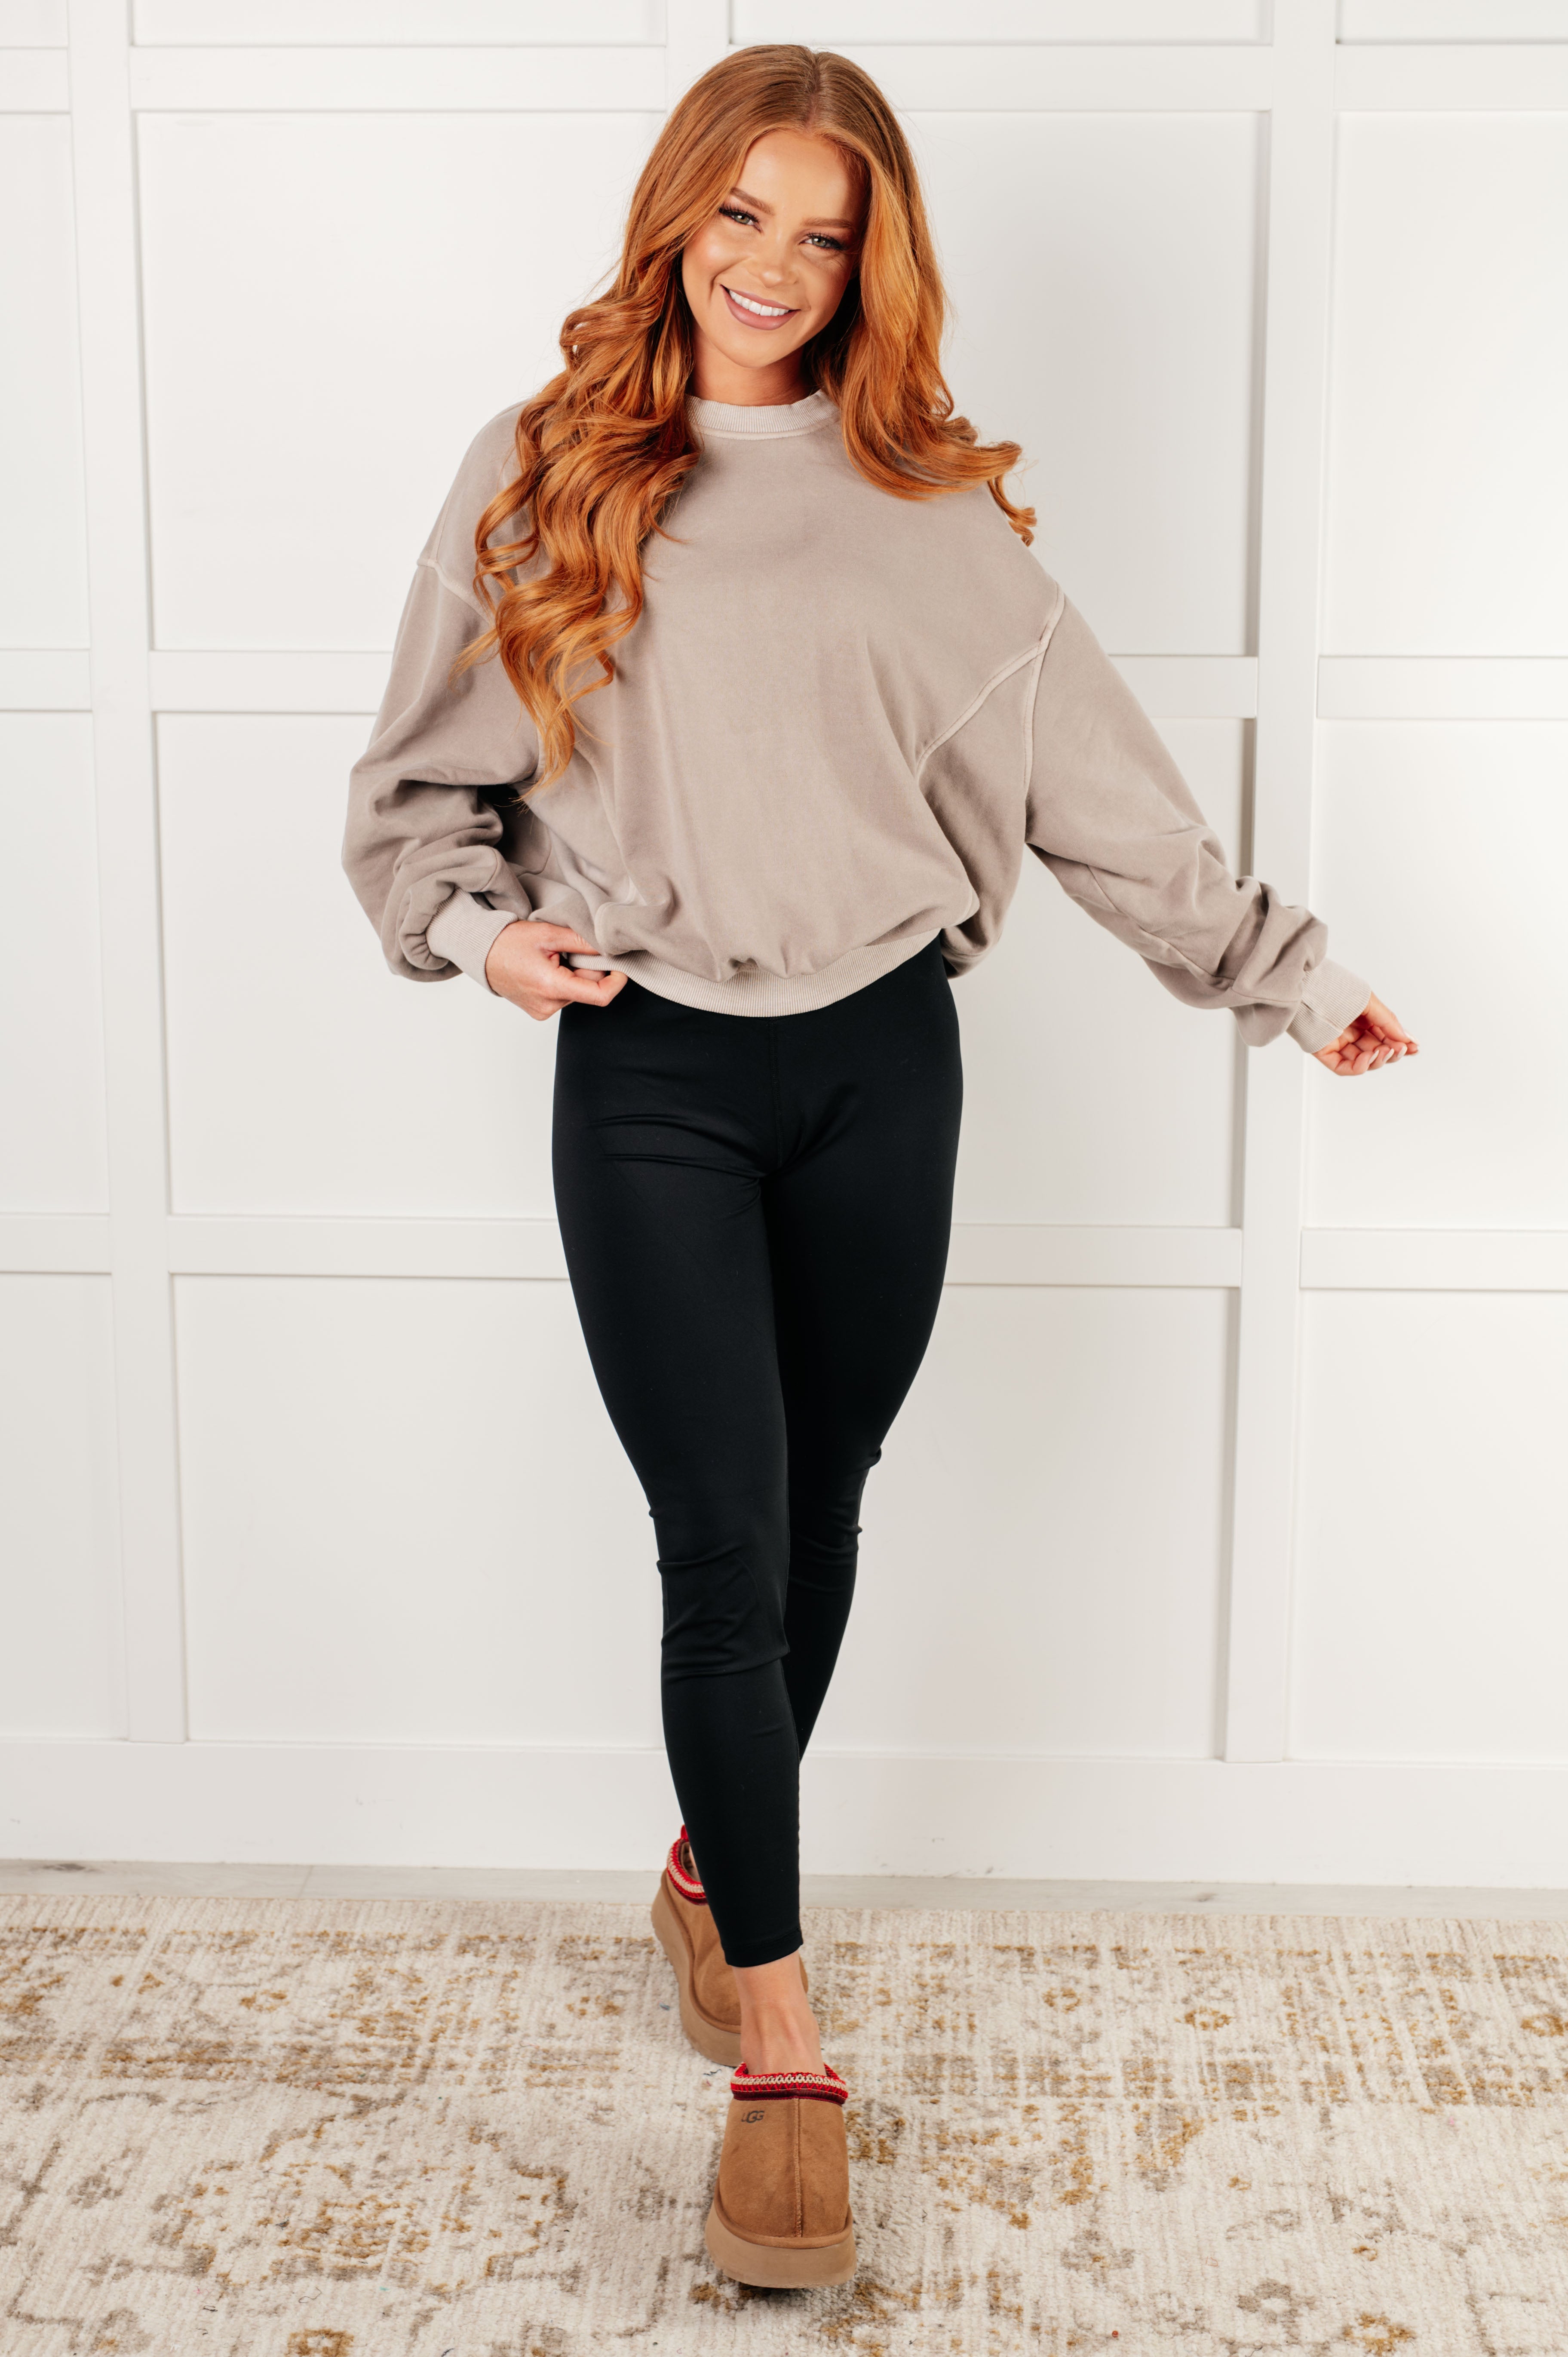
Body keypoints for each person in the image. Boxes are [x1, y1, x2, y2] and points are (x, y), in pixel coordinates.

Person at [342, 43, 1418, 2293]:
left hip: (878, 1071)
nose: (772, 266)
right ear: (679, 217)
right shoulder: (539, 473)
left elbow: (1108, 798)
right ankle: (783, 2054)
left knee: (821, 1505)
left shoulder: (930, 516)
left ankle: (705, 1874)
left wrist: (1290, 979)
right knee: (723, 1546)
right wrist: (479, 932)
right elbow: (418, 793)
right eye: (741, 216)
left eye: (822, 235)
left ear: (871, 265)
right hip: (646, 1068)